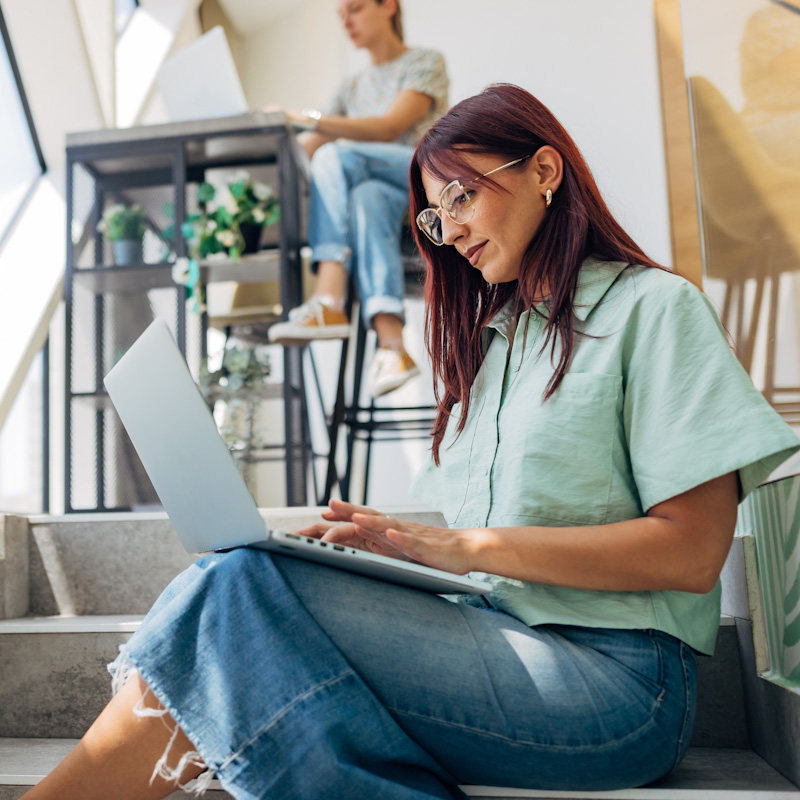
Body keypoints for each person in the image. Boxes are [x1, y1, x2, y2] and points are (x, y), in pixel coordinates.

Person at [22, 84, 800, 800]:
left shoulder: (655, 310)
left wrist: (462, 547)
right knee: (244, 589)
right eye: (434, 215)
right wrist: (395, 552)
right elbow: (479, 563)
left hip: (622, 687)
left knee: (238, 596)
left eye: (461, 196)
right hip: (499, 639)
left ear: (545, 171)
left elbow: (691, 552)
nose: (449, 229)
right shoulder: (491, 353)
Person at [267, 0, 449, 397]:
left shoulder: (425, 62)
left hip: (423, 178)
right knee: (366, 197)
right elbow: (306, 152)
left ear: (389, 7)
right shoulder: (351, 87)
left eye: (356, 8)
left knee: (338, 155)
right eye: (340, 14)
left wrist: (302, 116)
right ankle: (392, 348)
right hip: (385, 200)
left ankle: (328, 294)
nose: (346, 21)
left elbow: (389, 128)